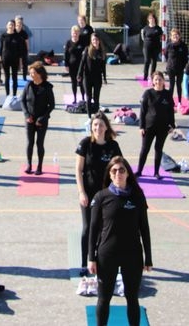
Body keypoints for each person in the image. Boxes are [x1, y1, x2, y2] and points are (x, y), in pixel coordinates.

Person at [88, 156, 152, 326]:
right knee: (104, 299)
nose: (118, 174)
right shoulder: (101, 197)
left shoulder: (137, 196)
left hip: (132, 255)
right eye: (114, 171)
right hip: (107, 254)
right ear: (109, 174)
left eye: (122, 170)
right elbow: (93, 229)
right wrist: (91, 257)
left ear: (128, 174)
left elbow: (144, 228)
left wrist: (149, 258)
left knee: (132, 298)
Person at [75, 112, 123, 276]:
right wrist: (81, 192)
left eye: (101, 125)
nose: (98, 128)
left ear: (106, 127)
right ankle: (84, 262)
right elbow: (79, 170)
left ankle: (101, 260)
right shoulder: (85, 144)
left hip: (107, 195)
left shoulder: (113, 146)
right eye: (95, 125)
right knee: (88, 228)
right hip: (89, 193)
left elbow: (119, 169)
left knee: (106, 229)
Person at [136, 71, 176, 179]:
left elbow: (170, 111)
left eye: (160, 79)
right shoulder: (148, 93)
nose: (158, 81)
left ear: (164, 80)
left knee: (158, 149)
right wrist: (141, 127)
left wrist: (172, 125)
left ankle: (156, 172)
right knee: (145, 149)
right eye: (156, 80)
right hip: (149, 127)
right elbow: (142, 111)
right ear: (153, 81)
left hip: (163, 127)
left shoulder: (167, 94)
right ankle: (139, 171)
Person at [21, 61, 55, 175]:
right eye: (30, 73)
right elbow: (22, 101)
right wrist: (26, 115)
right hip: (29, 119)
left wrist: (43, 118)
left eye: (33, 73)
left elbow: (52, 105)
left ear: (40, 74)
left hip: (42, 120)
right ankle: (29, 165)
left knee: (39, 143)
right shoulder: (28, 85)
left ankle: (39, 166)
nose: (31, 75)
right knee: (29, 142)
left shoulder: (47, 87)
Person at [78, 33, 107, 116]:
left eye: (96, 40)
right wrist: (79, 74)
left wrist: (104, 78)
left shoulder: (102, 51)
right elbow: (82, 62)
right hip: (87, 77)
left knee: (96, 98)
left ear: (99, 41)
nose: (95, 41)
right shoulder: (87, 49)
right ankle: (89, 116)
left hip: (97, 78)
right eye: (93, 39)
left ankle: (97, 115)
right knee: (88, 98)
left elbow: (103, 66)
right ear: (91, 41)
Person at [0, 20, 23, 97]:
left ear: (14, 26)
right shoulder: (3, 35)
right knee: (7, 77)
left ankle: (14, 95)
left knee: (15, 78)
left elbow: (20, 50)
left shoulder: (17, 36)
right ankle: (7, 94)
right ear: (7, 26)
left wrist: (20, 63)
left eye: (12, 25)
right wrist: (0, 57)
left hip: (15, 59)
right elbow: (1, 47)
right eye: (9, 25)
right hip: (5, 59)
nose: (11, 26)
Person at [164, 29, 189, 104]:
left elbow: (185, 58)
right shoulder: (168, 45)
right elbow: (165, 55)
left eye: (177, 35)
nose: (175, 36)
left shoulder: (183, 45)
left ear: (179, 36)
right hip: (171, 68)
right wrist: (170, 63)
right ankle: (170, 101)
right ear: (171, 37)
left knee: (179, 85)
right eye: (173, 35)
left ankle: (179, 101)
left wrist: (184, 67)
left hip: (180, 68)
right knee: (171, 85)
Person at [64, 25, 86, 104]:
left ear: (79, 33)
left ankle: (83, 98)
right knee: (73, 82)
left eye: (76, 33)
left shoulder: (82, 42)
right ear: (71, 33)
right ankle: (75, 98)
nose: (75, 34)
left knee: (81, 83)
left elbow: (86, 53)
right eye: (74, 33)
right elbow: (66, 54)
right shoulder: (68, 42)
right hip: (71, 65)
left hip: (81, 66)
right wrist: (66, 65)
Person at [140, 13, 163, 79]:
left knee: (154, 61)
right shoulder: (145, 28)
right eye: (150, 19)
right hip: (147, 47)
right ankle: (145, 75)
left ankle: (152, 75)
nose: (151, 20)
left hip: (156, 47)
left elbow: (161, 37)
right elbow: (143, 37)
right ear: (148, 20)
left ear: (155, 19)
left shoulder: (158, 29)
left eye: (152, 18)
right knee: (147, 60)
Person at [15, 15, 31, 81]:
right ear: (16, 24)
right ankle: (14, 77)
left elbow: (27, 42)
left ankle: (24, 77)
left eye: (21, 23)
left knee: (25, 64)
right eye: (18, 23)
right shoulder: (13, 31)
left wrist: (28, 50)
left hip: (23, 50)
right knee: (15, 65)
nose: (19, 24)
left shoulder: (24, 33)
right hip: (15, 50)